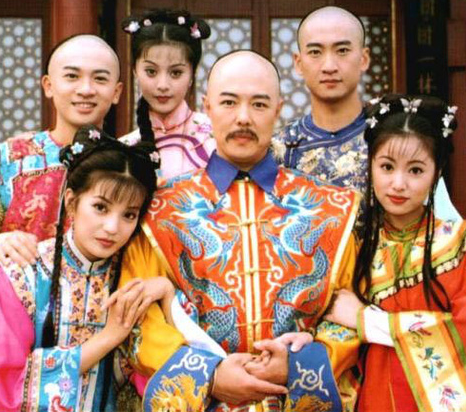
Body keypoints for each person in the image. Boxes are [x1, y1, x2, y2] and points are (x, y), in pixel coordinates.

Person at [119, 50, 361, 411]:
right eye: (229, 102)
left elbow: (350, 312)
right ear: (207, 107)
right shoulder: (159, 209)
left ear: (278, 110)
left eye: (259, 104)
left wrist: (299, 365)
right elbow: (139, 315)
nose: (244, 117)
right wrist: (211, 375)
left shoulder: (331, 207)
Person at [271, 5, 466, 323]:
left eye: (342, 50)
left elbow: (444, 233)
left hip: (389, 304)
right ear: (298, 62)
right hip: (306, 312)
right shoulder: (280, 150)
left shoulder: (397, 137)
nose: (329, 65)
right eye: (315, 52)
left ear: (364, 58)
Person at [0, 126, 172, 411]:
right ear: (71, 202)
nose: (112, 227)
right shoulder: (22, 275)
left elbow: (163, 377)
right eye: (101, 207)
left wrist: (167, 291)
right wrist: (108, 338)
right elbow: (3, 388)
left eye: (129, 215)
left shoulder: (131, 278)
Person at [326, 95, 466, 412]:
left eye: (415, 170)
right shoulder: (354, 248)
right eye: (386, 167)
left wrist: (367, 320)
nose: (398, 183)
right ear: (370, 166)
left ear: (437, 173)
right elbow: (333, 324)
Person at [0, 34, 123, 308]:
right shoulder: (5, 163)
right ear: (48, 85)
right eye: (72, 76)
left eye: (100, 79)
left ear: (116, 92)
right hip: (17, 320)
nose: (86, 89)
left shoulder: (128, 167)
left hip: (104, 317)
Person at [120, 9, 216, 179]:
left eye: (176, 73)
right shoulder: (123, 149)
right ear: (135, 71)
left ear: (192, 75)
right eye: (151, 71)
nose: (163, 85)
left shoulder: (217, 138)